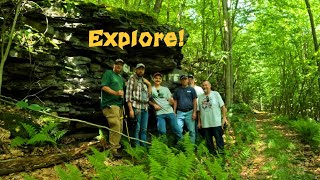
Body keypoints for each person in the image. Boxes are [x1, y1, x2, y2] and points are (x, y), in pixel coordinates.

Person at [101, 58, 125, 158]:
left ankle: (116, 147)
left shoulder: (120, 78)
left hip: (119, 105)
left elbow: (121, 91)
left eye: (121, 64)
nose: (119, 66)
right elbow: (104, 87)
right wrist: (116, 93)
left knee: (120, 127)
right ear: (113, 65)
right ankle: (113, 150)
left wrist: (121, 95)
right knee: (115, 125)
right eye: (117, 64)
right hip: (110, 104)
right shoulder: (108, 73)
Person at [149, 72, 183, 143]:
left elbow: (170, 100)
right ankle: (164, 148)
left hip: (169, 111)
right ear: (153, 79)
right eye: (156, 78)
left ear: (161, 80)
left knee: (176, 129)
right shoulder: (151, 89)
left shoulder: (166, 89)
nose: (158, 80)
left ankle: (181, 145)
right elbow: (147, 100)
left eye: (159, 78)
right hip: (160, 113)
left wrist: (172, 102)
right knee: (162, 131)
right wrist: (154, 105)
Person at [197, 80, 229, 156]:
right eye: (203, 85)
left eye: (206, 85)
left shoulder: (216, 94)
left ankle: (221, 155)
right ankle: (213, 156)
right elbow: (199, 111)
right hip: (205, 123)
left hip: (216, 122)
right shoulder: (200, 97)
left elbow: (223, 107)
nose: (204, 87)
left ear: (210, 86)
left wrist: (224, 118)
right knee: (208, 142)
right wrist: (199, 122)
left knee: (219, 139)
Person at [126, 63, 152, 147]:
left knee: (144, 129)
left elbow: (149, 96)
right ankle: (137, 148)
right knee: (136, 129)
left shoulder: (145, 81)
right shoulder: (132, 80)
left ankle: (143, 147)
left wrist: (149, 85)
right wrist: (130, 110)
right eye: (139, 69)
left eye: (142, 69)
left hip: (145, 108)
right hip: (136, 107)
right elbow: (128, 96)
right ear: (136, 70)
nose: (141, 71)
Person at [173, 75, 197, 144]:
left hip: (190, 112)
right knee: (178, 130)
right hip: (180, 113)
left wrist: (194, 112)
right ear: (180, 81)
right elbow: (175, 101)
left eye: (185, 79)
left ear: (187, 80)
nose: (184, 81)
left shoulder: (192, 89)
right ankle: (180, 146)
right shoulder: (177, 90)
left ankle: (191, 148)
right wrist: (174, 111)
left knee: (192, 131)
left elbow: (195, 101)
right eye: (182, 79)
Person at [188, 74, 204, 141]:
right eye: (189, 79)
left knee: (201, 125)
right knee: (194, 126)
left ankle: (202, 139)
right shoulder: (186, 88)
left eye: (191, 79)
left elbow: (203, 97)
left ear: (194, 80)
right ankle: (196, 140)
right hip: (191, 110)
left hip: (199, 110)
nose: (190, 80)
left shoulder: (199, 88)